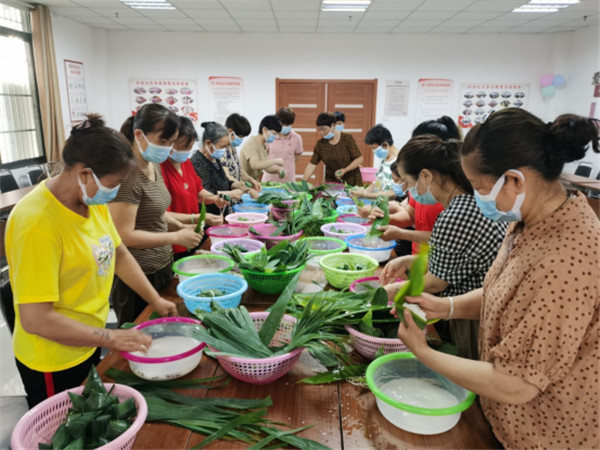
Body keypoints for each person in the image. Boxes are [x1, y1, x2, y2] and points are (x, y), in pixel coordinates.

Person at [392, 109, 599, 449]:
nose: (475, 198)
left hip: (544, 432)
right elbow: (500, 294)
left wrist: (422, 352)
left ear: (515, 180)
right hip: (499, 414)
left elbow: (516, 383)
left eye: (478, 187)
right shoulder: (528, 221)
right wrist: (444, 306)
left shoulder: (566, 259)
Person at [6, 114, 176, 408]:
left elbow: (118, 252)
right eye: (115, 183)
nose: (116, 189)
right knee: (62, 430)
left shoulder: (90, 200)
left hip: (86, 342)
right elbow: (36, 319)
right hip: (53, 359)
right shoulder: (36, 223)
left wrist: (155, 300)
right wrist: (110, 337)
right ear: (85, 174)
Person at [380, 135, 508, 359]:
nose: (410, 190)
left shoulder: (456, 214)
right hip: (476, 303)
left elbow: (435, 283)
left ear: (426, 175)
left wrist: (385, 294)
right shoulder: (469, 201)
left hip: (471, 313)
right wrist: (411, 260)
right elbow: (463, 258)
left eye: (410, 183)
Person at [110, 104, 202, 326]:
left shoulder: (154, 164)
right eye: (163, 142)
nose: (168, 149)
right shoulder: (127, 176)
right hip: (137, 278)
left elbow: (159, 213)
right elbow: (124, 236)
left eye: (171, 143)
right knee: (140, 335)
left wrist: (181, 226)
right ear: (139, 135)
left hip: (162, 267)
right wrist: (175, 238)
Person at [360, 117, 459, 254]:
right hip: (416, 257)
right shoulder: (418, 185)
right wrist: (387, 219)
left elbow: (447, 239)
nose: (406, 187)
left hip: (437, 264)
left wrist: (400, 234)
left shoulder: (453, 197)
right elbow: (410, 215)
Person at [161, 116, 226, 260]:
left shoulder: (186, 163)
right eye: (183, 146)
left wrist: (214, 199)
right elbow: (163, 214)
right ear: (170, 142)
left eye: (190, 147)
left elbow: (198, 192)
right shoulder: (160, 169)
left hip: (194, 235)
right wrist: (197, 218)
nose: (187, 151)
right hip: (175, 241)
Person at [190, 121, 250, 216]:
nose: (224, 150)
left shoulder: (215, 158)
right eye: (222, 146)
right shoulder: (197, 162)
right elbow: (206, 193)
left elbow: (223, 181)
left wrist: (236, 185)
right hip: (208, 215)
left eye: (226, 147)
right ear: (208, 143)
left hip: (220, 213)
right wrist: (232, 194)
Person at [303, 112, 363, 186]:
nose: (321, 132)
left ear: (333, 126)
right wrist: (303, 182)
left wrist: (345, 170)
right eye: (319, 130)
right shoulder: (320, 144)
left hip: (352, 182)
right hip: (332, 183)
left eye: (324, 129)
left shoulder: (347, 138)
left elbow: (359, 158)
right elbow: (312, 164)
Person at [352, 124, 399, 199]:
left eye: (374, 148)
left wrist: (365, 195)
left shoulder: (399, 162)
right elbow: (378, 183)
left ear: (385, 144)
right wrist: (364, 192)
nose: (373, 151)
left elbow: (393, 193)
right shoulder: (384, 160)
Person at [240, 115, 286, 183]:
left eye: (276, 134)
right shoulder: (251, 143)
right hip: (243, 184)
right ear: (264, 130)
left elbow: (266, 166)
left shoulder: (263, 145)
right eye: (273, 134)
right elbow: (255, 165)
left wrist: (278, 170)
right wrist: (276, 161)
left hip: (253, 183)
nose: (275, 137)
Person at [263, 107, 303, 184]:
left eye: (288, 124)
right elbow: (263, 155)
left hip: (288, 178)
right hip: (270, 177)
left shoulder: (296, 138)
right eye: (282, 124)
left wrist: (287, 165)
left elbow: (298, 156)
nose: (285, 126)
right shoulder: (270, 136)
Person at [222, 113, 261, 190]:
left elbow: (239, 169)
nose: (241, 140)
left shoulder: (232, 147)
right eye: (240, 137)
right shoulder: (221, 149)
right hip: (227, 192)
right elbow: (226, 176)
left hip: (236, 192)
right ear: (230, 131)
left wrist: (251, 180)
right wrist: (243, 186)